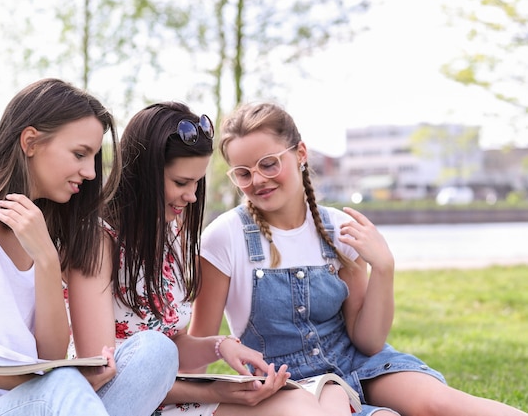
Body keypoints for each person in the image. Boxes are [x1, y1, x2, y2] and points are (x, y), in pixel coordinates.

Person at [190, 101, 528, 416]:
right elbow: (200, 345)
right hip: (289, 383)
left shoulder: (339, 229)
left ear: (300, 154)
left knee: (439, 404)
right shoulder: (225, 237)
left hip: (358, 363)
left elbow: (368, 340)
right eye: (243, 173)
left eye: (269, 164)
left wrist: (383, 267)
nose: (258, 180)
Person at [0, 78, 177, 416]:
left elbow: (49, 354)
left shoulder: (43, 230)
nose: (91, 172)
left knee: (156, 351)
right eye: (80, 154)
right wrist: (55, 381)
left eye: (94, 158)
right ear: (31, 141)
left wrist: (46, 260)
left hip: (45, 402)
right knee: (60, 385)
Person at [67, 101, 351, 416]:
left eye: (196, 183)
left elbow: (171, 346)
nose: (191, 196)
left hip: (166, 392)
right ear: (142, 176)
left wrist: (221, 346)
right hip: (117, 404)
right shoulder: (98, 240)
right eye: (180, 183)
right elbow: (103, 374)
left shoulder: (170, 235)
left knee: (301, 403)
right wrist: (216, 390)